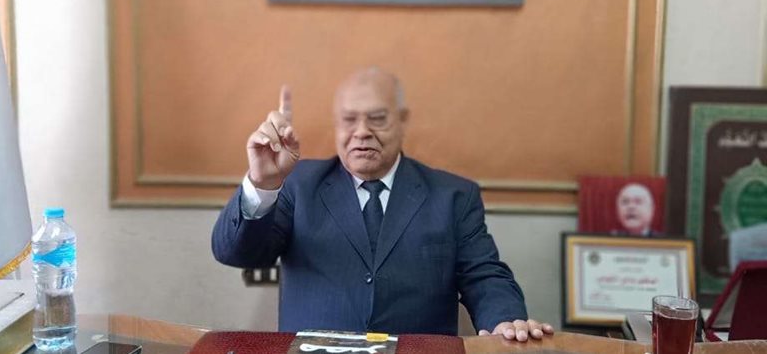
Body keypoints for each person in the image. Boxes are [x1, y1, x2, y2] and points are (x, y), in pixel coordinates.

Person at [212, 67, 553, 340]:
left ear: (402, 121)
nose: (362, 131)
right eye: (349, 120)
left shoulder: (453, 196)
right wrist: (263, 184)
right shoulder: (298, 185)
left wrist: (505, 322)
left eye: (377, 118)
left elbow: (485, 277)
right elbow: (236, 254)